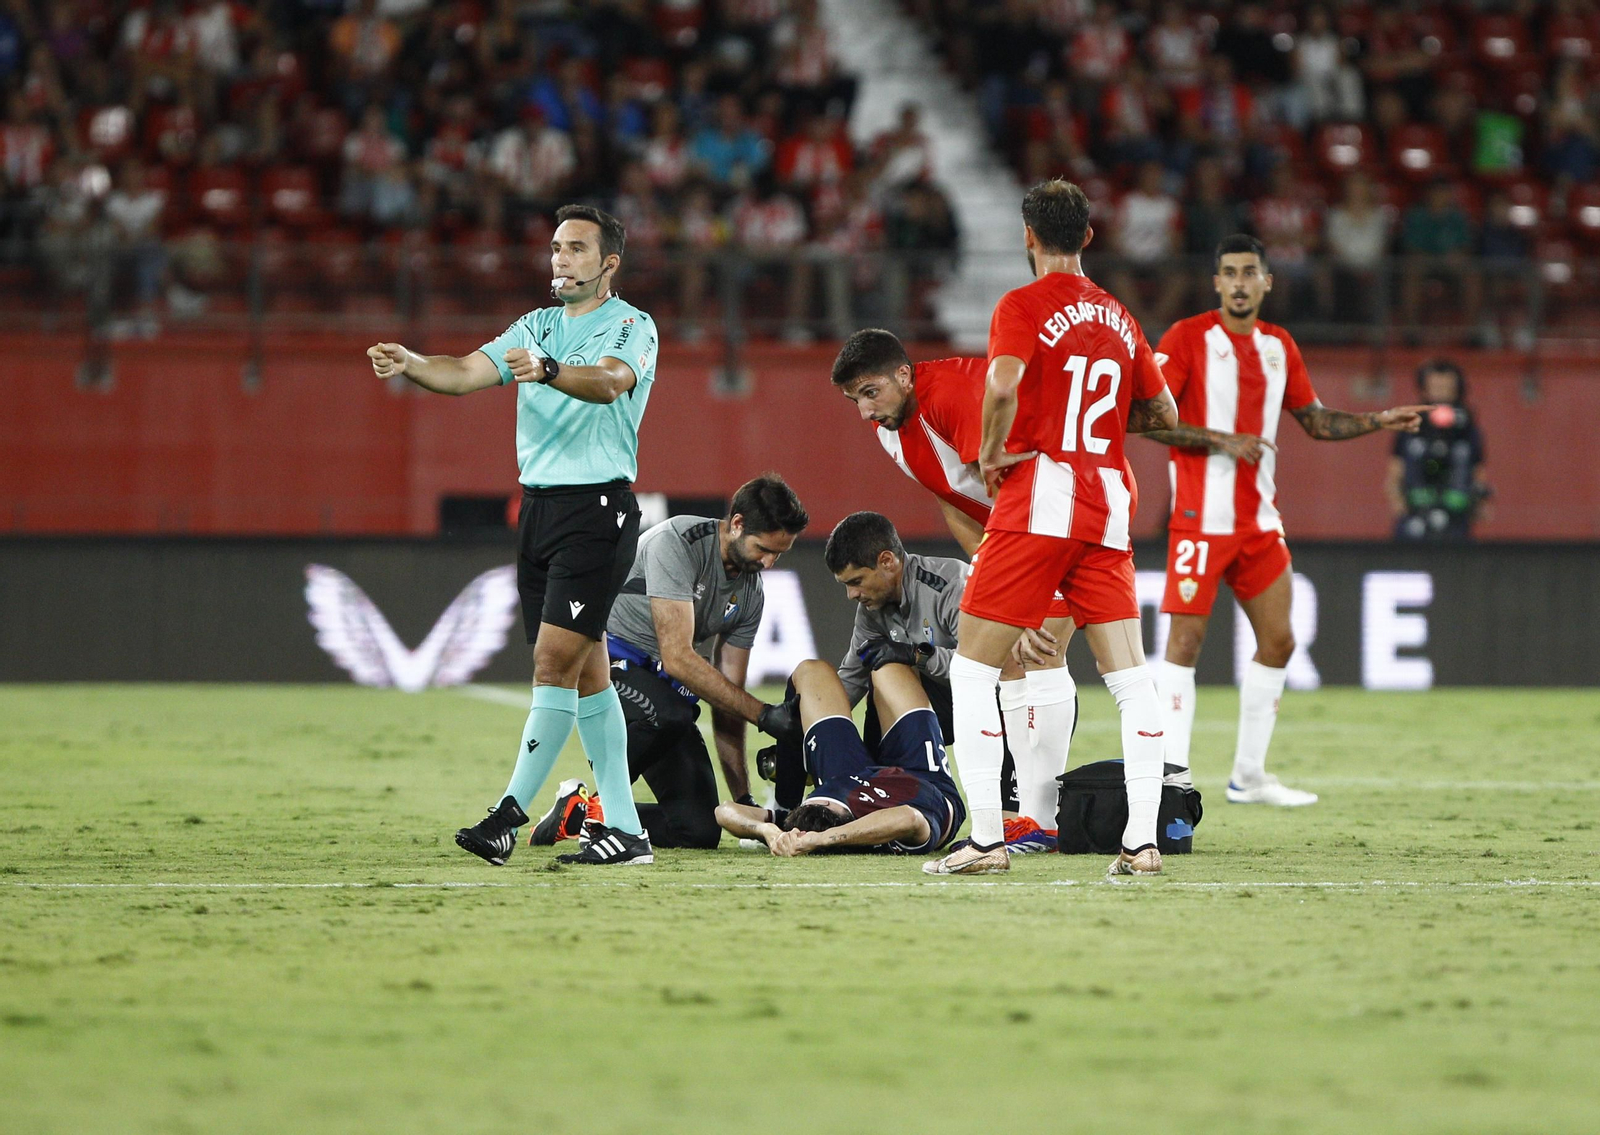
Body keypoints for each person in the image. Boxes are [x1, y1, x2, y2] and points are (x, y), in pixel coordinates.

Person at [366, 204, 662, 867]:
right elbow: (467, 371)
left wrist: (551, 370)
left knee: (552, 663)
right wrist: (414, 361)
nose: (560, 258)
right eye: (556, 247)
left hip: (597, 511)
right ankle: (626, 831)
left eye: (577, 248)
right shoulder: (536, 325)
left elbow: (613, 382)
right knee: (588, 677)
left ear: (608, 263)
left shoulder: (632, 326)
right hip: (539, 511)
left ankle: (507, 816)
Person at [923, 178, 1180, 879]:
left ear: (1028, 236)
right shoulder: (1122, 317)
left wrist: (991, 449)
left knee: (973, 669)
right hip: (1109, 496)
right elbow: (1160, 415)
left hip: (1042, 493)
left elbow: (1002, 385)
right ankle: (1142, 841)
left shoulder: (1022, 303)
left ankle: (984, 839)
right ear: (1088, 237)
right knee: (1131, 679)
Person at [1142, 234, 1427, 807]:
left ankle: (1249, 775)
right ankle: (1170, 776)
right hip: (1200, 518)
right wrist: (1221, 439)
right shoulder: (1187, 338)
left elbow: (1316, 422)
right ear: (1217, 282)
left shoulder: (1279, 346)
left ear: (1267, 282)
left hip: (1258, 522)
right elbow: (1147, 419)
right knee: (1185, 643)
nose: (1241, 282)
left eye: (1251, 272)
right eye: (1230, 272)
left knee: (1279, 639)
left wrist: (1378, 420)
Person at [830, 333, 1083, 843]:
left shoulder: (955, 395)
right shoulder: (890, 431)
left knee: (1037, 652)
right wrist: (991, 571)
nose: (864, 412)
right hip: (1019, 534)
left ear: (903, 376)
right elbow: (953, 501)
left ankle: (1041, 818)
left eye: (870, 392)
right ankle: (1029, 816)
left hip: (1061, 517)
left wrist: (1019, 590)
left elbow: (1014, 486)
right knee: (1011, 656)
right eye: (854, 399)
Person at [526, 475, 810, 850]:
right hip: (604, 664)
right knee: (670, 712)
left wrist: (743, 800)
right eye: (764, 549)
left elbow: (728, 699)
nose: (770, 563)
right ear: (737, 524)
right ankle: (608, 821)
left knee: (698, 830)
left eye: (780, 554)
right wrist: (763, 715)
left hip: (661, 692)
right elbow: (678, 659)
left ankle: (582, 814)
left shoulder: (751, 595)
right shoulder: (677, 542)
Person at [714, 659, 964, 858]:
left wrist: (767, 831)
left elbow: (724, 812)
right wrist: (824, 839)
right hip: (922, 779)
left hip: (844, 773)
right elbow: (909, 817)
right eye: (829, 802)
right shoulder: (879, 834)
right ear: (849, 817)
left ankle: (784, 801)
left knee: (811, 671)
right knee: (888, 668)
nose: (820, 796)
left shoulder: (807, 820)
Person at [1387, 359, 1489, 542]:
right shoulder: (1409, 428)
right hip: (1414, 514)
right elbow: (1395, 472)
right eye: (1436, 388)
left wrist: (1478, 503)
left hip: (1456, 516)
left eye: (1446, 388)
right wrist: (1398, 504)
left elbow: (1478, 472)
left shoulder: (1468, 431)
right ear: (1424, 390)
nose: (1441, 394)